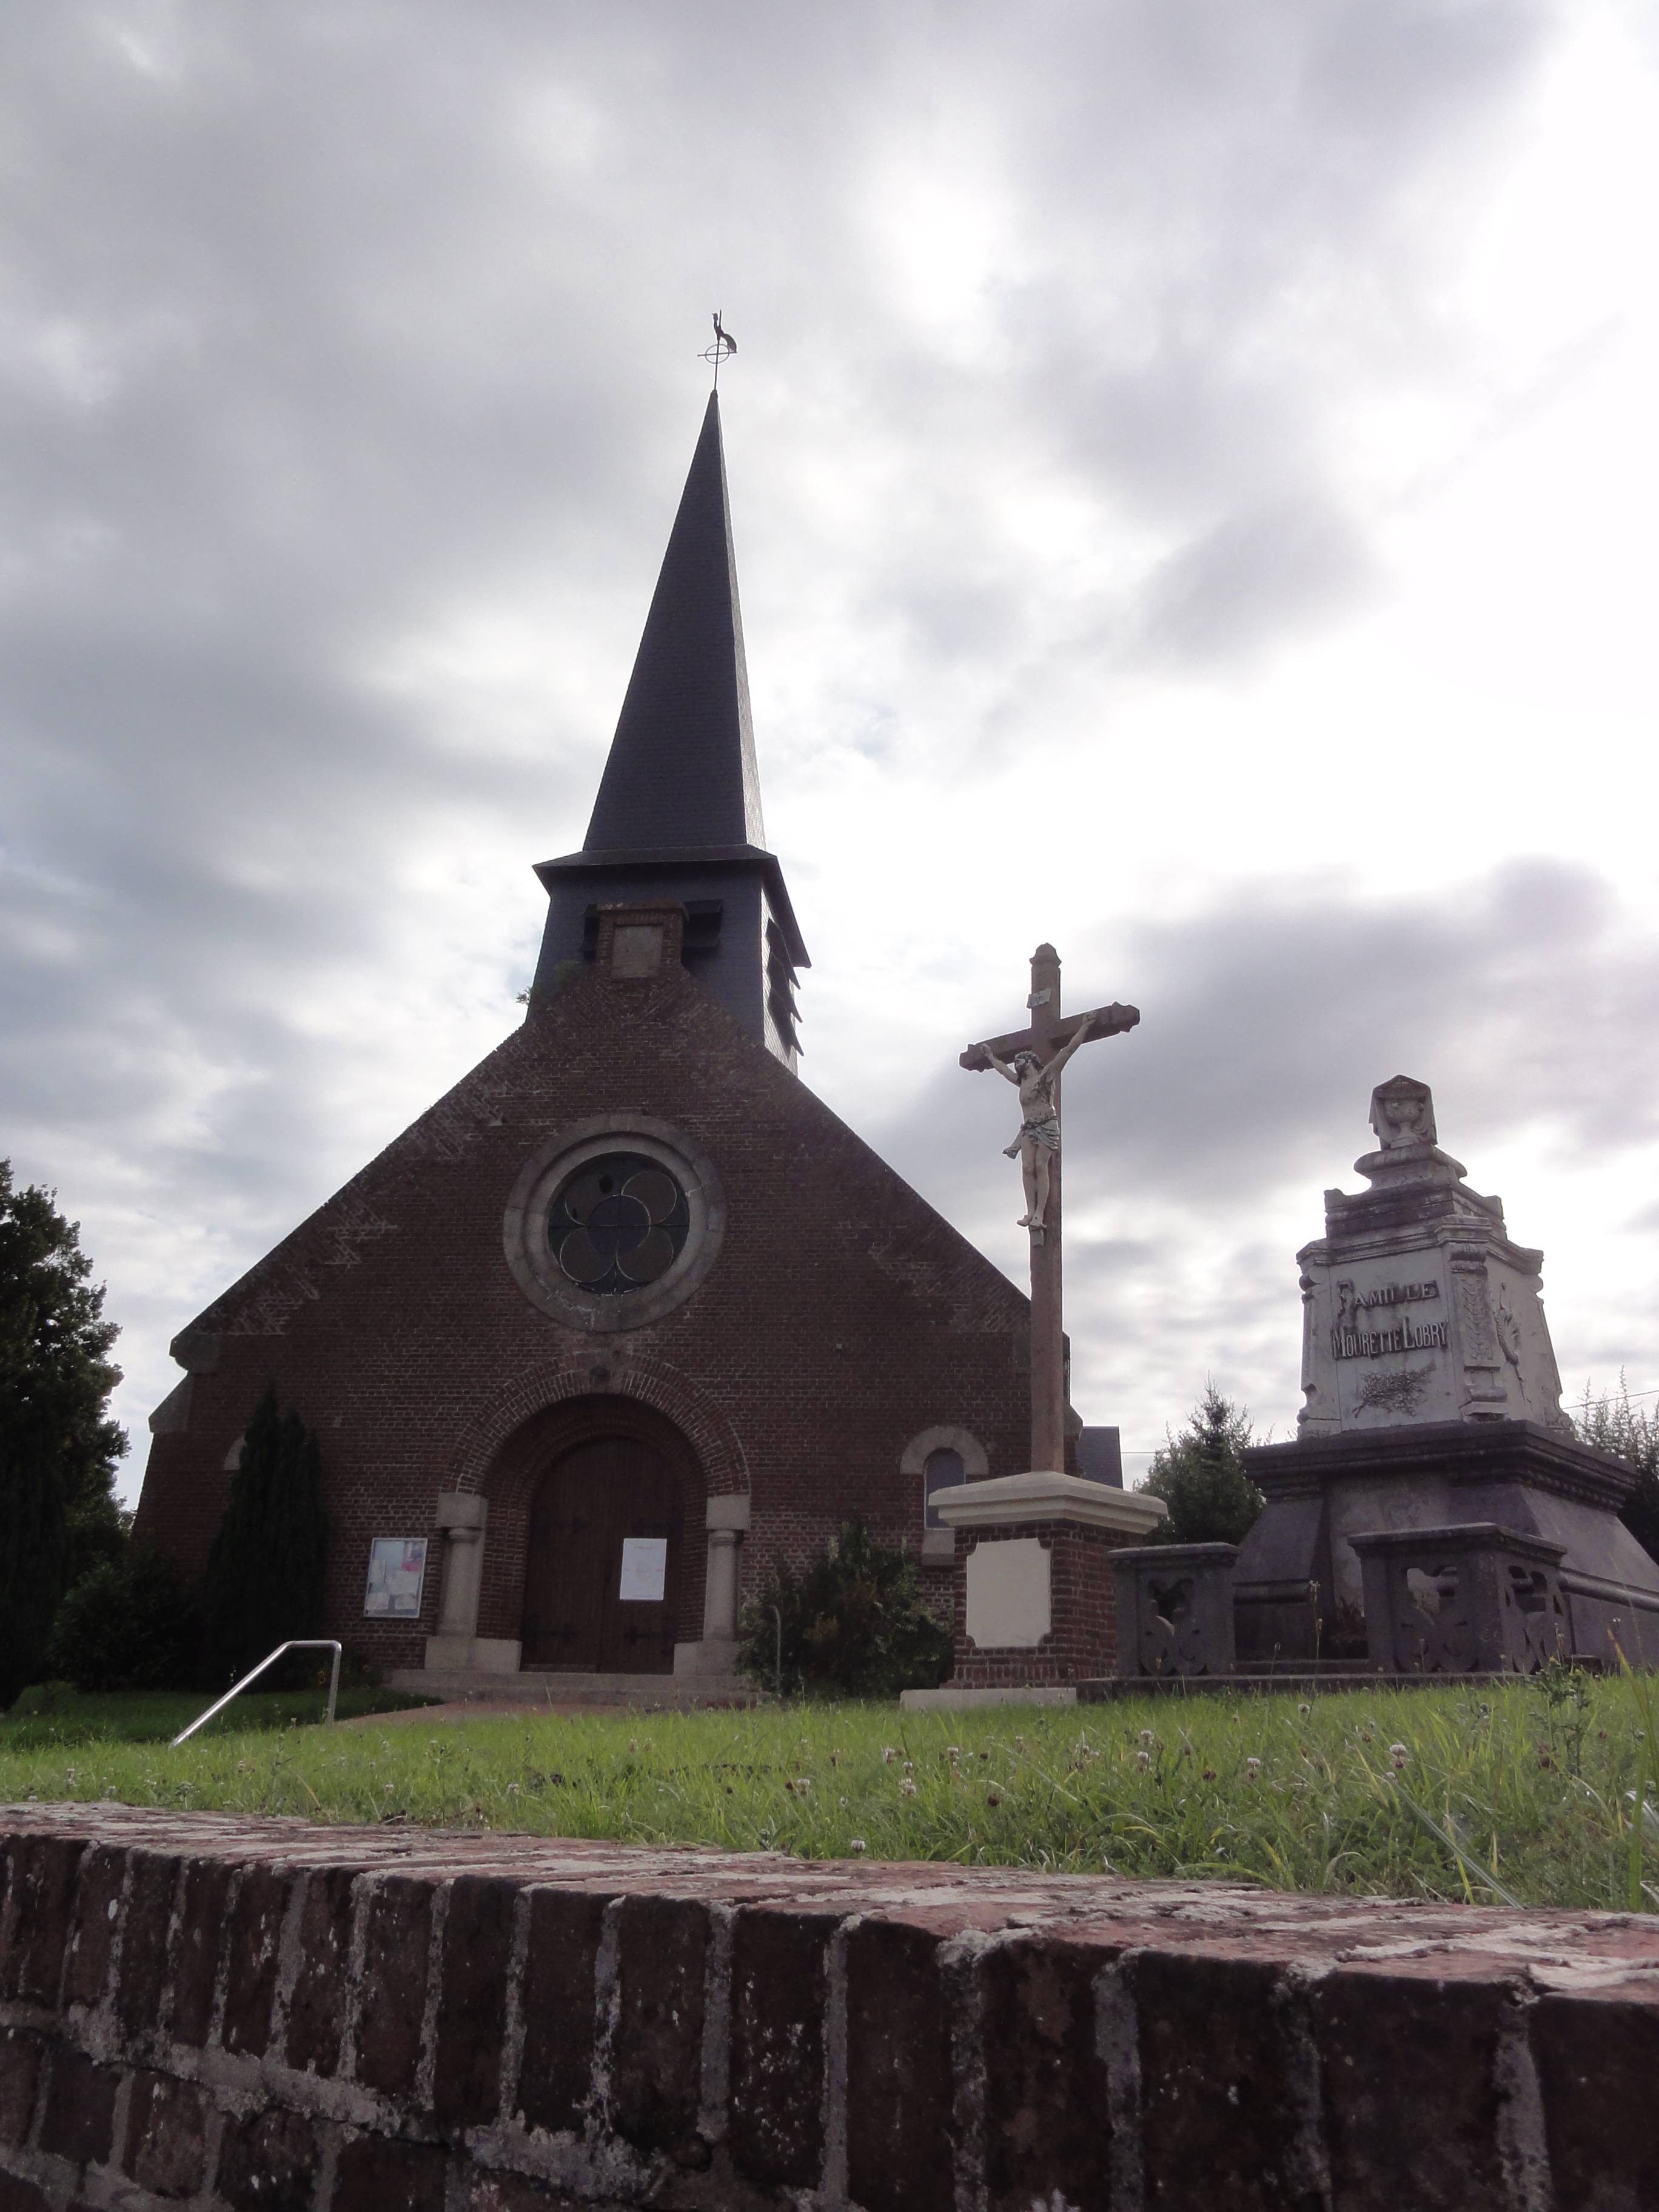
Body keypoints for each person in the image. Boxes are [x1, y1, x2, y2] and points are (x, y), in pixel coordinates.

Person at [974, 1011, 1102, 1229]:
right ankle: (1030, 1211)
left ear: (1031, 1062)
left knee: (1041, 1165)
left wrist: (1085, 1027)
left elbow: (1068, 1050)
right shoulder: (1021, 1083)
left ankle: (1039, 1215)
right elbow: (1002, 1070)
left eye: (1020, 1060)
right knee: (1026, 1168)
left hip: (1046, 1125)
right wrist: (989, 1056)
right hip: (1029, 1129)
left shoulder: (1047, 1076)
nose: (1016, 1063)